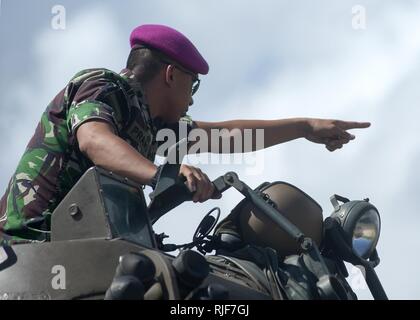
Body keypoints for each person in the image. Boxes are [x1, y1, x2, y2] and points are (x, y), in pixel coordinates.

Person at [0, 24, 370, 246]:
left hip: (84, 250)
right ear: (171, 74)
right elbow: (95, 140)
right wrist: (164, 173)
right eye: (192, 85)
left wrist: (305, 128)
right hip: (31, 244)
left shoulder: (152, 123)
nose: (192, 97)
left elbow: (229, 137)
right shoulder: (103, 85)